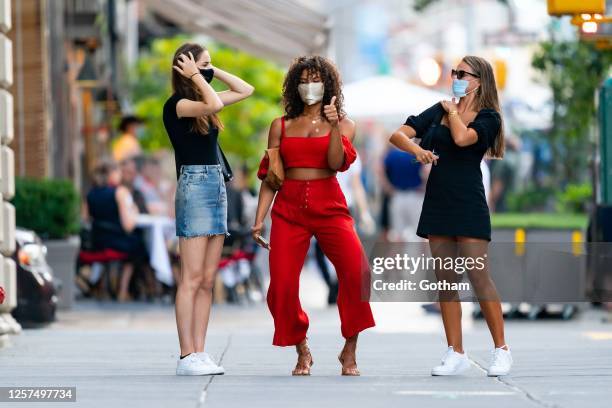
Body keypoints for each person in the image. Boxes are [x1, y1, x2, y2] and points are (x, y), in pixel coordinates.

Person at [389, 55, 512, 377]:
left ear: (479, 80)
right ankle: (454, 351)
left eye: (462, 73)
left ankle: (501, 349)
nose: (455, 76)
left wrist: (454, 111)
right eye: (454, 71)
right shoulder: (439, 109)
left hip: (469, 200)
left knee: (478, 276)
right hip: (439, 200)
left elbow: (462, 138)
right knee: (445, 281)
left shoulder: (488, 116)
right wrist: (417, 150)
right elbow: (398, 135)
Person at [252, 56, 375, 376]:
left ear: (328, 85)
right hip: (289, 208)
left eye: (316, 80)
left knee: (357, 272)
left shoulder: (345, 123)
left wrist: (333, 125)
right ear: (295, 85)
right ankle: (301, 348)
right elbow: (271, 176)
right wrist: (258, 219)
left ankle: (350, 348)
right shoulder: (281, 125)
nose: (310, 86)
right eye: (304, 80)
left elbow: (337, 163)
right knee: (281, 285)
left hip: (329, 206)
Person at [162, 43, 254, 376]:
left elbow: (245, 89)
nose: (207, 70)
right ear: (184, 69)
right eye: (202, 65)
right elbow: (214, 101)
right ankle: (186, 355)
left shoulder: (203, 101)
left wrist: (210, 71)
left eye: (209, 65)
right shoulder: (179, 105)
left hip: (215, 185)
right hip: (194, 185)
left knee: (207, 280)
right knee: (191, 278)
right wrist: (199, 78)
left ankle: (200, 352)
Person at [86, 160, 149, 302]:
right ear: (111, 174)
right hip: (117, 241)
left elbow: (86, 219)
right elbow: (128, 225)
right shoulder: (120, 192)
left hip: (97, 242)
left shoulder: (90, 194)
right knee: (139, 247)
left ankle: (102, 289)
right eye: (118, 172)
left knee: (133, 244)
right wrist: (133, 210)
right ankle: (123, 290)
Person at [383, 146, 424, 242]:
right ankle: (415, 256)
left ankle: (400, 256)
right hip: (416, 195)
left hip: (398, 195)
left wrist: (387, 187)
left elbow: (380, 169)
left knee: (397, 233)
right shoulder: (418, 153)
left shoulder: (392, 154)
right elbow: (426, 172)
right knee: (417, 233)